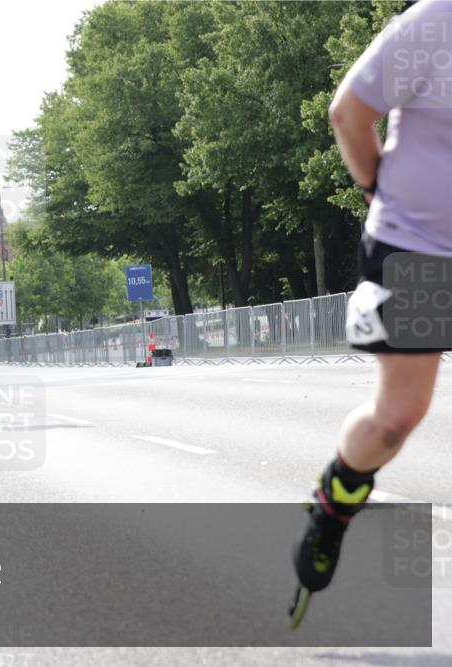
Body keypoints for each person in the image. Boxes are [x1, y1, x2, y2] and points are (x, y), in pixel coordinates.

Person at [289, 0, 452, 627]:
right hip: (419, 251)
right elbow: (349, 112)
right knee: (395, 420)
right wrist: (374, 189)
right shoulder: (435, 21)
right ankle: (335, 502)